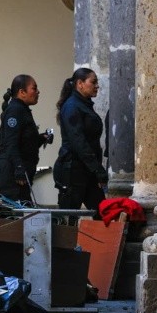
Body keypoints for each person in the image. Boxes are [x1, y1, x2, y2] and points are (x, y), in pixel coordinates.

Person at [0, 74, 53, 205]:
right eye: (34, 88)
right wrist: (19, 169)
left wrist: (42, 138)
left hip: (16, 172)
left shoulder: (22, 110)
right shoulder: (15, 110)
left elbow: (25, 142)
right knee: (21, 215)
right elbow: (11, 143)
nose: (38, 92)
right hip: (11, 174)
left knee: (24, 213)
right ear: (22, 92)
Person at [53, 67, 108, 216]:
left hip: (86, 170)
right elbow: (79, 142)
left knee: (102, 213)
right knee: (67, 219)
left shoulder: (83, 104)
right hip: (72, 170)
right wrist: (98, 169)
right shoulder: (72, 106)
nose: (97, 86)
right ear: (80, 84)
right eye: (93, 82)